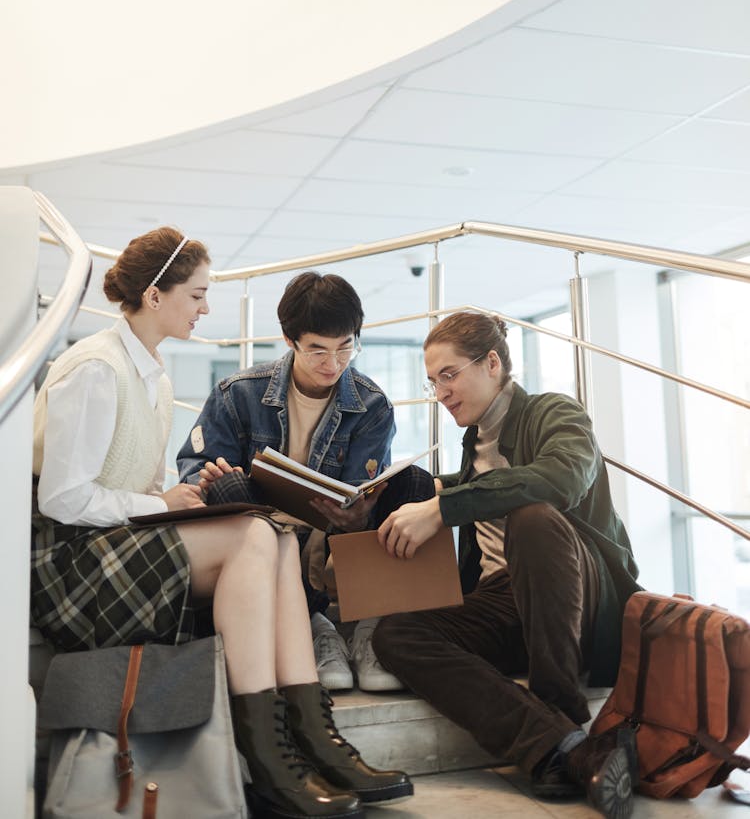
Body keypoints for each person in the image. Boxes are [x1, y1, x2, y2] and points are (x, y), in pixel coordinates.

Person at [31, 228, 412, 819]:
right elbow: (62, 498)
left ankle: (315, 737)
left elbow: (119, 485)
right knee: (257, 530)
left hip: (115, 543)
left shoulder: (147, 371)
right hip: (73, 566)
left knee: (272, 533)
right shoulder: (95, 369)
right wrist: (166, 504)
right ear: (156, 295)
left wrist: (167, 497)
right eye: (198, 294)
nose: (207, 307)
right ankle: (270, 757)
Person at [371, 311, 641, 819]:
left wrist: (443, 507)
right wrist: (423, 493)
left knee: (533, 518)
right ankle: (563, 747)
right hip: (505, 599)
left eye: (448, 375)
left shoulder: (556, 412)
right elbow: (474, 487)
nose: (441, 392)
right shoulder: (474, 444)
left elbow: (559, 480)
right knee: (396, 636)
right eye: (432, 382)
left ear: (491, 363)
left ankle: (561, 707)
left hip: (580, 596)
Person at [176, 270, 434, 693]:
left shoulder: (371, 404)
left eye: (345, 348)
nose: (332, 364)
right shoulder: (237, 394)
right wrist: (214, 482)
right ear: (289, 339)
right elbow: (195, 468)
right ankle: (316, 627)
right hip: (265, 536)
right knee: (236, 497)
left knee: (415, 486)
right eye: (317, 351)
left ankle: (372, 631)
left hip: (333, 536)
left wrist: (354, 517)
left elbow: (362, 490)